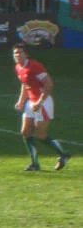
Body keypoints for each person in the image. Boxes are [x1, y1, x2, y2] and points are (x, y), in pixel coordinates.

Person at [12, 44, 70, 172]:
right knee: (25, 132)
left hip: (43, 102)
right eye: (15, 53)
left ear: (26, 54)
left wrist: (40, 101)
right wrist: (21, 101)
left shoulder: (34, 66)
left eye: (20, 52)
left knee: (40, 135)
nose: (17, 55)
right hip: (30, 102)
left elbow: (49, 84)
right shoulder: (18, 67)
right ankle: (34, 164)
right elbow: (25, 84)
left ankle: (63, 154)